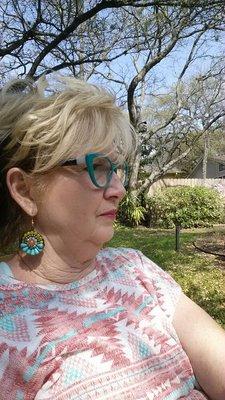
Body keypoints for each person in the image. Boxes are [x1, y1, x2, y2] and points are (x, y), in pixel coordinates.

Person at [0, 77, 224, 400]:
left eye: (116, 168)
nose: (119, 189)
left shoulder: (136, 269)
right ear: (25, 190)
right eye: (98, 166)